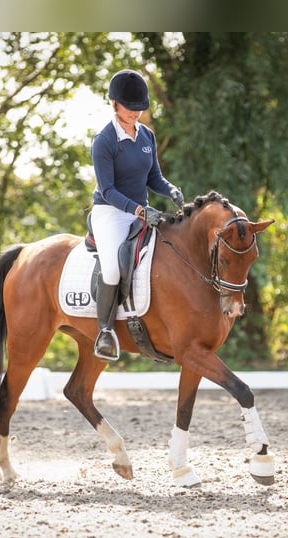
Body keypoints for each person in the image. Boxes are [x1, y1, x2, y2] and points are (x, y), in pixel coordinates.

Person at [90, 69, 184, 362]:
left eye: (140, 108)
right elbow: (107, 190)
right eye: (130, 108)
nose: (136, 113)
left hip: (143, 212)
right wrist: (140, 210)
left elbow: (154, 177)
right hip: (111, 212)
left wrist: (170, 190)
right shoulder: (103, 141)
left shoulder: (147, 135)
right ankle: (105, 332)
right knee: (114, 268)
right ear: (115, 104)